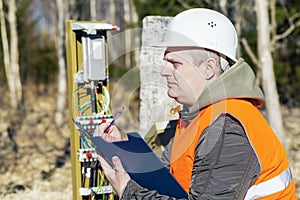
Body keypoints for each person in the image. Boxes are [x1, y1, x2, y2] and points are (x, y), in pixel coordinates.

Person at [94, 8, 297, 199]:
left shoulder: (227, 128)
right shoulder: (198, 117)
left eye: (175, 63)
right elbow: (167, 180)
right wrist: (124, 148)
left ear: (208, 68)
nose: (164, 71)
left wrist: (127, 190)